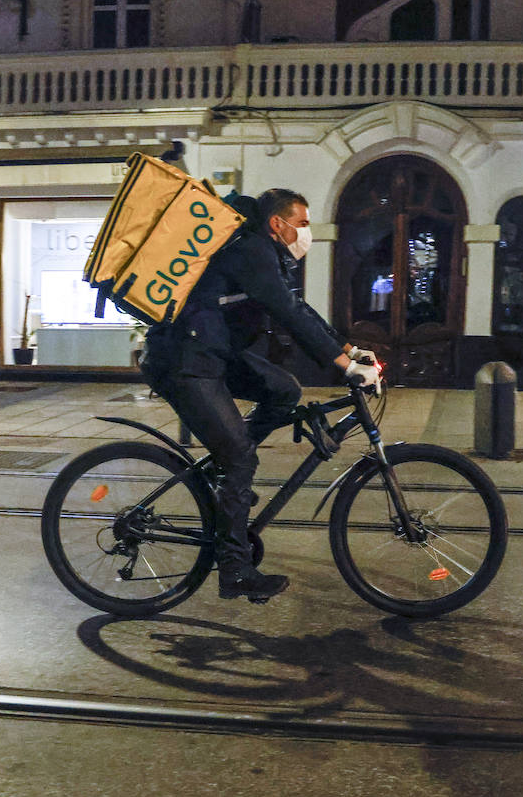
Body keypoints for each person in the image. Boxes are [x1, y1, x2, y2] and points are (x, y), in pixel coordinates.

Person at [140, 188, 380, 603]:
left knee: (283, 389)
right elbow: (287, 313)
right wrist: (345, 369)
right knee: (240, 456)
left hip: (212, 353)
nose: (306, 233)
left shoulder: (263, 254)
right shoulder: (253, 249)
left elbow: (296, 308)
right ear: (278, 224)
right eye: (302, 224)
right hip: (185, 360)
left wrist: (347, 351)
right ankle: (234, 569)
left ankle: (225, 474)